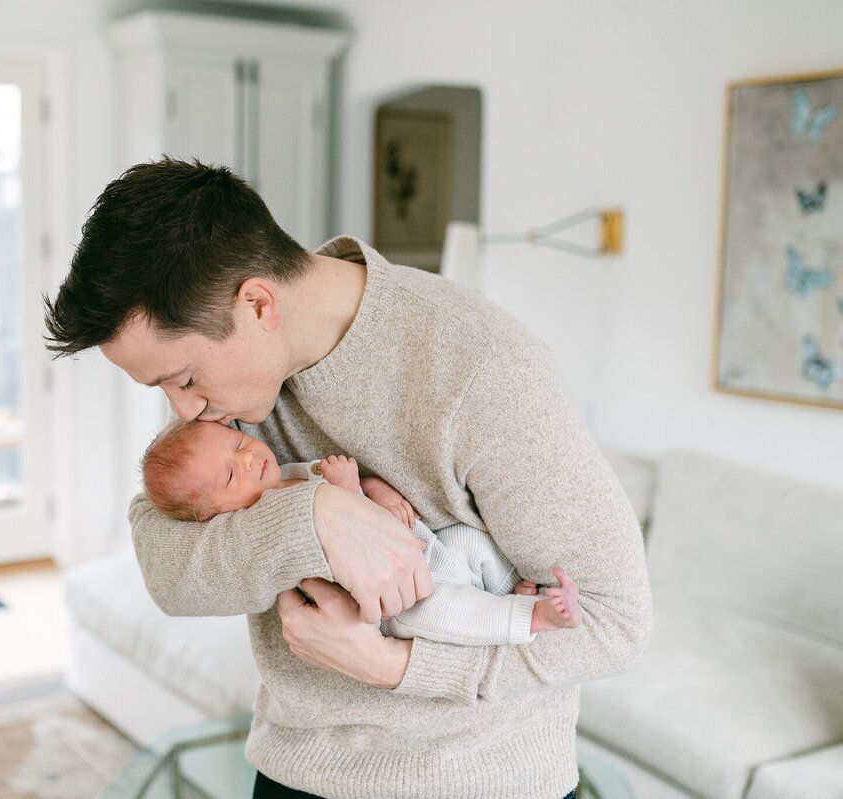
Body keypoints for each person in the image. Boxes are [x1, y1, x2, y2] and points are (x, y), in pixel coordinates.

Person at [44, 158, 651, 799]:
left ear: (257, 303)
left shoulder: (484, 369)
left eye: (185, 378)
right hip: (296, 770)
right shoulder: (231, 401)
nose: (182, 409)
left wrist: (393, 665)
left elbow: (616, 625)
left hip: (477, 780)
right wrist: (319, 517)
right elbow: (168, 565)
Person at [141, 418, 583, 644]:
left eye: (238, 445)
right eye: (230, 478)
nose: (248, 459)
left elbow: (358, 484)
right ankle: (531, 618)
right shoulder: (251, 530)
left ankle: (514, 588)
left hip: (429, 547)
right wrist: (348, 492)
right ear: (210, 516)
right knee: (447, 613)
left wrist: (379, 492)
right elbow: (331, 547)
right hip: (401, 599)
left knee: (471, 540)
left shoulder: (294, 470)